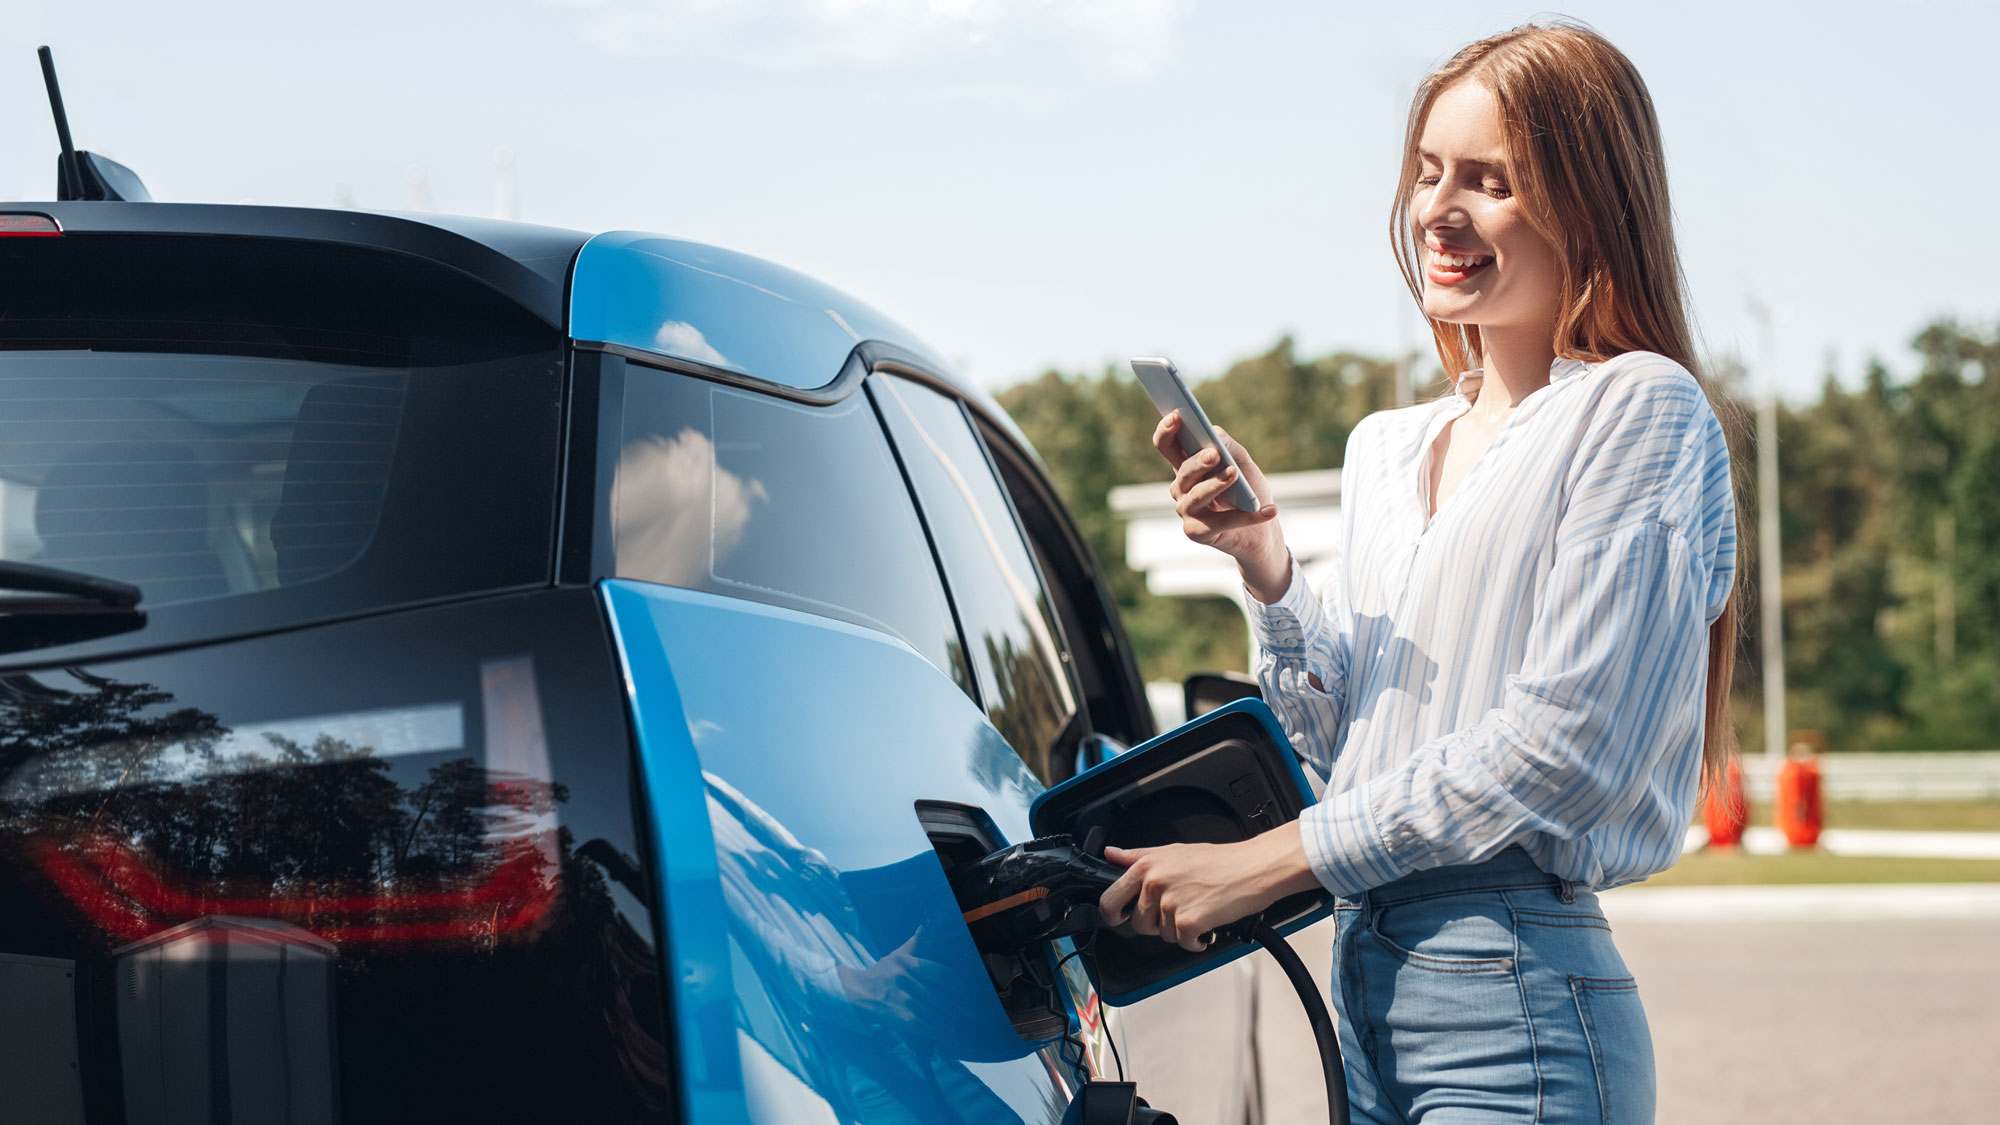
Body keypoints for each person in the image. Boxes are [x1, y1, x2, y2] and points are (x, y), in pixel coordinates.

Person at [1096, 21, 1738, 1124]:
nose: (1437, 210)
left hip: (1514, 1001)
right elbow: (1337, 741)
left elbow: (1564, 744)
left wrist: (1266, 864)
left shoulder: (1637, 409)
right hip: (1367, 985)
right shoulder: (1385, 449)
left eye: (1486, 180)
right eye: (1426, 172)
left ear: (1587, 202)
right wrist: (1268, 571)